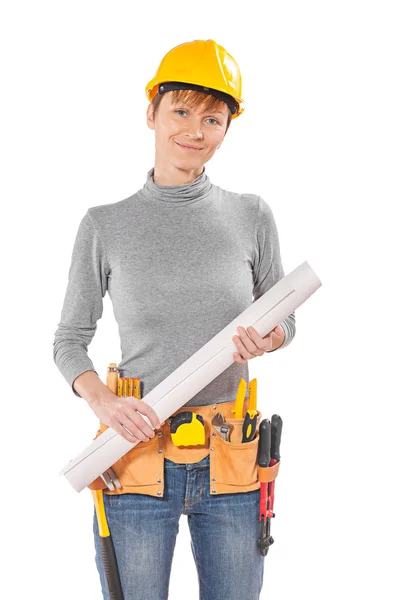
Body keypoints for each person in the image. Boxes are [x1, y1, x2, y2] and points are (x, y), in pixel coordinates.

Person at [53, 39, 295, 600]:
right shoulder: (105, 225)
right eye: (180, 110)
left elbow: (286, 322)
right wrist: (103, 402)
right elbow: (69, 340)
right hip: (134, 457)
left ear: (227, 127)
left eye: (213, 117)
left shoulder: (252, 216)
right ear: (151, 113)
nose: (195, 129)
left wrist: (270, 337)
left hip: (231, 457)